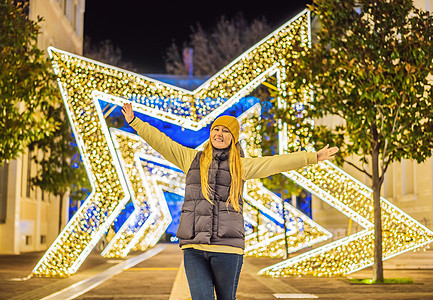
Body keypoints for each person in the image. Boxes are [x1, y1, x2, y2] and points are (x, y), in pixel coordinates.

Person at [121, 103, 338, 300]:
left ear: (233, 138)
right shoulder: (191, 159)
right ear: (211, 133)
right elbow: (161, 142)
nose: (220, 133)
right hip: (194, 247)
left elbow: (275, 163)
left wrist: (312, 158)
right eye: (217, 129)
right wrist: (134, 122)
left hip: (227, 248)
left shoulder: (241, 166)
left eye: (226, 131)